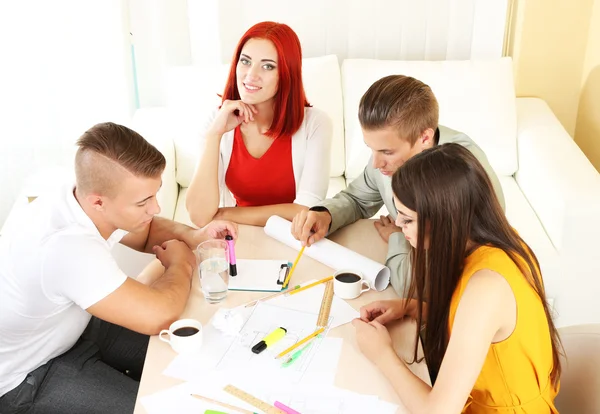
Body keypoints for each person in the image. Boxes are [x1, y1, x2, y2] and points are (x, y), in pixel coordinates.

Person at [0, 123, 237, 413]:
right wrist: (181, 264)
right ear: (98, 202)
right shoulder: (67, 247)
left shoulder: (75, 191)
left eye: (155, 194)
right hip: (27, 377)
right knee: (160, 407)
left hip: (79, 324)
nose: (156, 209)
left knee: (205, 361)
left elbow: (145, 231)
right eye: (143, 202)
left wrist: (192, 236)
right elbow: (159, 315)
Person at [352, 143, 561, 413]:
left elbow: (437, 411)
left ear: (443, 219)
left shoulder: (488, 286)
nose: (399, 228)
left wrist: (382, 354)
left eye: (407, 220)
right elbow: (475, 324)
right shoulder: (498, 242)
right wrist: (412, 306)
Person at [291, 75, 505, 295]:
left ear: (425, 138)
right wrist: (326, 214)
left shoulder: (459, 179)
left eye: (386, 152)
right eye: (371, 149)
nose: (375, 163)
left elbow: (415, 286)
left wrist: (398, 237)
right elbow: (358, 199)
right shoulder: (388, 153)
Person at [186, 21, 333, 228]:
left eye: (267, 66)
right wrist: (214, 136)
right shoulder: (217, 121)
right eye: (245, 61)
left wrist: (224, 214)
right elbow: (199, 216)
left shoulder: (315, 124)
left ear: (286, 74)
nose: (251, 75)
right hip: (239, 234)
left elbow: (307, 209)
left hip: (292, 236)